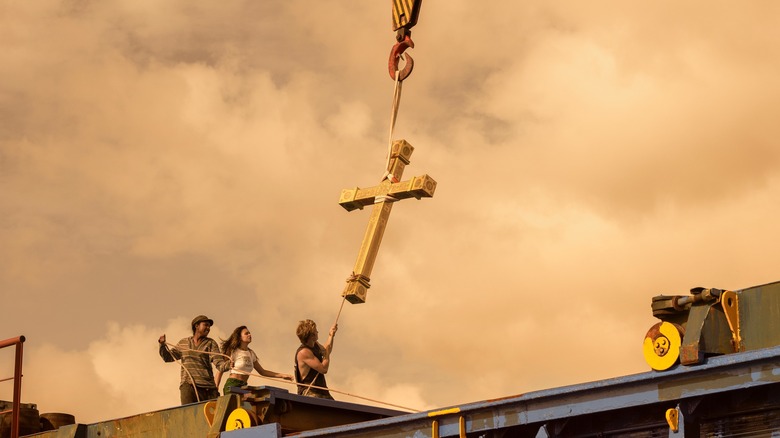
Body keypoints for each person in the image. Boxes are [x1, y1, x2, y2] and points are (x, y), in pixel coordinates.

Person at [158, 315, 230, 405]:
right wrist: (162, 345)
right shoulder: (184, 343)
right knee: (189, 414)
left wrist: (229, 364)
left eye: (209, 326)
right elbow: (168, 357)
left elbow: (219, 364)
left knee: (212, 416)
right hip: (188, 386)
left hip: (208, 388)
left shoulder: (211, 343)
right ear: (197, 326)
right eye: (206, 325)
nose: (208, 328)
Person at [216, 325, 293, 395]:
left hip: (244, 386)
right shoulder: (233, 351)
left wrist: (282, 375)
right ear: (239, 337)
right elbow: (220, 370)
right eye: (246, 333)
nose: (250, 335)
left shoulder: (251, 353)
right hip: (232, 384)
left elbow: (262, 372)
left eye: (249, 333)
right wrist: (216, 387)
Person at [294, 319, 338, 399]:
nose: (318, 332)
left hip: (322, 392)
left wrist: (331, 335)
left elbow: (325, 350)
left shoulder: (315, 344)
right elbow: (323, 368)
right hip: (310, 393)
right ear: (312, 336)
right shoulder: (304, 352)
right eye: (316, 331)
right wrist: (326, 353)